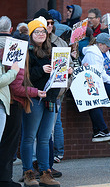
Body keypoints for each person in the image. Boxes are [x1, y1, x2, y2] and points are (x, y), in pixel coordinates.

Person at [0, 16, 46, 187]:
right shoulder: (16, 53)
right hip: (12, 102)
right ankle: (4, 179)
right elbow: (16, 87)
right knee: (9, 143)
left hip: (8, 101)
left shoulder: (4, 48)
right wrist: (36, 92)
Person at [21, 17, 64, 187]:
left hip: (51, 98)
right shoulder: (26, 52)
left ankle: (45, 173)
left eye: (42, 31)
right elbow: (23, 77)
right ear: (31, 34)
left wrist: (64, 71)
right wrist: (41, 70)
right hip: (33, 97)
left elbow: (57, 76)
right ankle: (28, 174)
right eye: (36, 31)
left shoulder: (53, 49)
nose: (40, 34)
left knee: (45, 138)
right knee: (29, 137)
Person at [82, 33, 110, 144]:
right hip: (94, 83)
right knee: (97, 103)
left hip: (100, 82)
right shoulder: (93, 54)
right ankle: (102, 130)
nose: (109, 48)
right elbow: (100, 73)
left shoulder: (103, 52)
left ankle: (102, 130)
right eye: (107, 45)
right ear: (100, 44)